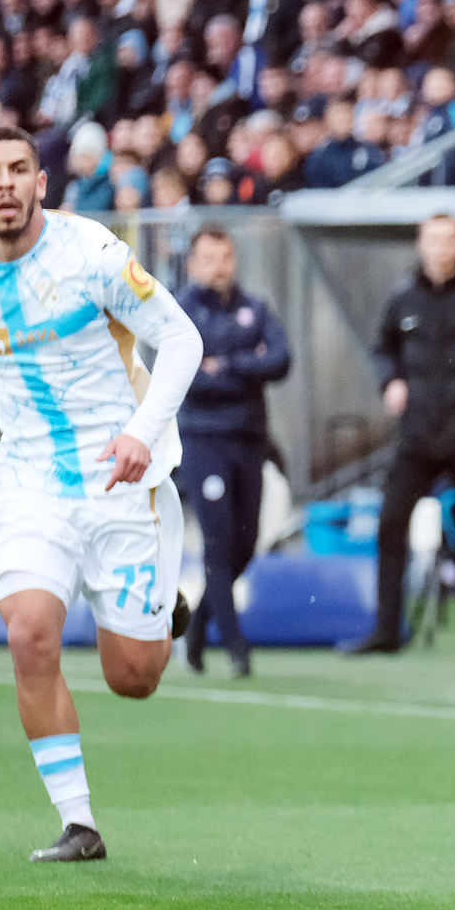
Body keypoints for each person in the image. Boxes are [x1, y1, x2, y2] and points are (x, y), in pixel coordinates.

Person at [0, 126, 201, 862]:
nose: (5, 183)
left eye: (19, 170)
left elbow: (183, 341)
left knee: (132, 678)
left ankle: (164, 613)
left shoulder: (93, 256)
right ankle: (80, 823)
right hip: (32, 483)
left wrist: (140, 431)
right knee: (28, 633)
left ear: (43, 183)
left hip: (124, 482)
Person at [342, 213, 455, 657]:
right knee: (390, 525)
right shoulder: (403, 297)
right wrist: (390, 381)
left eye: (448, 240)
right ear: (421, 245)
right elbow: (383, 349)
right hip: (417, 435)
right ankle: (385, 629)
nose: (440, 248)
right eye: (432, 240)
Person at [175, 225, 292, 678]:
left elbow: (280, 360)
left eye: (225, 256)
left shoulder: (254, 307)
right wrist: (246, 367)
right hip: (203, 439)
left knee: (245, 544)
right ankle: (237, 649)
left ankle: (197, 628)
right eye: (209, 257)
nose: (218, 266)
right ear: (193, 263)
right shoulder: (181, 310)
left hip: (250, 439)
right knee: (219, 543)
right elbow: (187, 374)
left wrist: (227, 365)